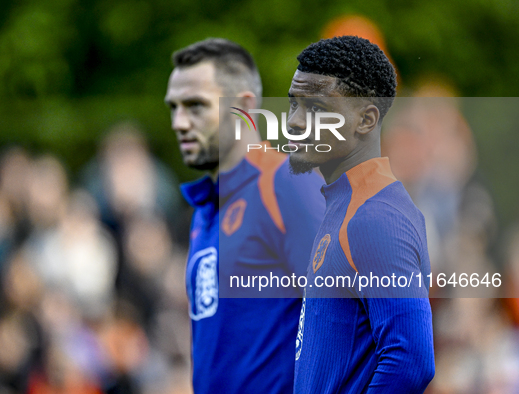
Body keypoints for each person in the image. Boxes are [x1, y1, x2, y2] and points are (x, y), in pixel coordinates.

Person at [164, 38, 325, 393]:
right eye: (173, 107)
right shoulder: (205, 209)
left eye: (195, 106)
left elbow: (348, 313)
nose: (179, 122)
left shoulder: (286, 183)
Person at [288, 36, 435, 393]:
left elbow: (411, 361)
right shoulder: (346, 205)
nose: (293, 122)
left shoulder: (375, 218)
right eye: (293, 104)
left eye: (316, 109)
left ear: (366, 120)